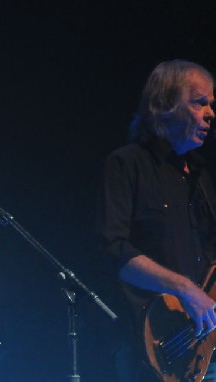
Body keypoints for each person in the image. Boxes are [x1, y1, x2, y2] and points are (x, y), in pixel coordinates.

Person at [98, 59, 216, 381]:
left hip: (204, 348)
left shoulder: (201, 175)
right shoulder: (127, 164)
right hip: (150, 346)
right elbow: (115, 250)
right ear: (165, 105)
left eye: (211, 105)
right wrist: (184, 288)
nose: (210, 113)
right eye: (199, 103)